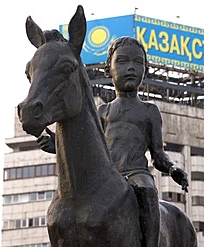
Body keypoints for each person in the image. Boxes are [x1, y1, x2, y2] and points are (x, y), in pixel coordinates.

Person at [38, 36, 189, 247]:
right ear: (109, 69)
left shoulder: (149, 111)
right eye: (123, 61)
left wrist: (172, 169)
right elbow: (88, 146)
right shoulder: (104, 111)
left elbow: (158, 155)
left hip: (136, 174)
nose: (131, 68)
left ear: (145, 70)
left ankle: (150, 243)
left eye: (138, 63)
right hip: (108, 176)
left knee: (148, 190)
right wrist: (56, 144)